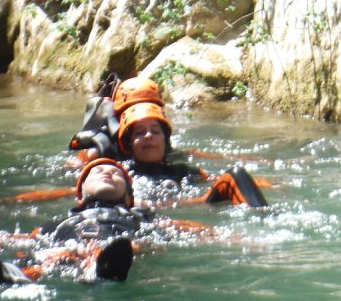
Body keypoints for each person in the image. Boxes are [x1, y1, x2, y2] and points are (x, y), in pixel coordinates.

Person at [0, 158, 212, 285]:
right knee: (47, 257)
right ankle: (13, 273)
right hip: (65, 247)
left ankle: (100, 268)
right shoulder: (59, 222)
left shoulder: (139, 217)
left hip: (116, 247)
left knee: (127, 246)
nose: (107, 173)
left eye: (116, 174)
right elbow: (26, 238)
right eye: (97, 172)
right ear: (80, 194)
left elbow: (187, 229)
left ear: (129, 196)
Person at [69, 73, 270, 208]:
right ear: (128, 140)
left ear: (165, 136)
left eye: (155, 131)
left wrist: (271, 181)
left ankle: (262, 225)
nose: (148, 136)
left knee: (236, 175)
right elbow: (80, 184)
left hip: (184, 204)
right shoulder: (113, 166)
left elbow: (209, 174)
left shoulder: (182, 169)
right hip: (144, 211)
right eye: (139, 132)